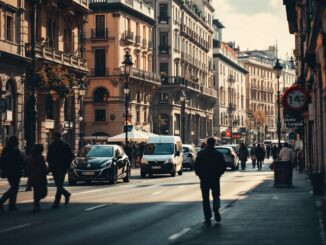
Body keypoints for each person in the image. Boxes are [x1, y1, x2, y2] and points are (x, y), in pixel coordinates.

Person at [194, 137, 226, 225]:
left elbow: (196, 166)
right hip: (215, 179)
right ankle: (216, 209)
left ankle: (207, 217)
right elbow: (223, 167)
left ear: (207, 143)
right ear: (214, 143)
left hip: (204, 179)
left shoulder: (201, 154)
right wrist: (218, 174)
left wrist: (200, 175)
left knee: (205, 199)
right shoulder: (218, 154)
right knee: (216, 196)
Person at [47, 132, 74, 209]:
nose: (54, 138)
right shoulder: (51, 146)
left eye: (55, 137)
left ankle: (56, 202)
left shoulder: (65, 145)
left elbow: (71, 156)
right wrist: (50, 166)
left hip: (62, 168)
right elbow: (49, 157)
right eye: (54, 137)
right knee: (58, 184)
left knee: (59, 185)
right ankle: (66, 194)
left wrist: (66, 165)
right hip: (54, 168)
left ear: (59, 137)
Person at [0, 136, 25, 211]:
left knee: (14, 188)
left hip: (8, 171)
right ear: (15, 142)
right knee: (14, 188)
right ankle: (2, 201)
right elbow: (20, 160)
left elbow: (2, 160)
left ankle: (12, 205)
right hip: (15, 171)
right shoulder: (15, 150)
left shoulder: (6, 149)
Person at [25, 144, 48, 212]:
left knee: (36, 191)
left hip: (33, 177)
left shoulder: (29, 158)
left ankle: (36, 205)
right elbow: (43, 167)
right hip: (40, 177)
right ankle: (36, 203)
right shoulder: (40, 158)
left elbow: (27, 168)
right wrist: (47, 171)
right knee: (44, 192)